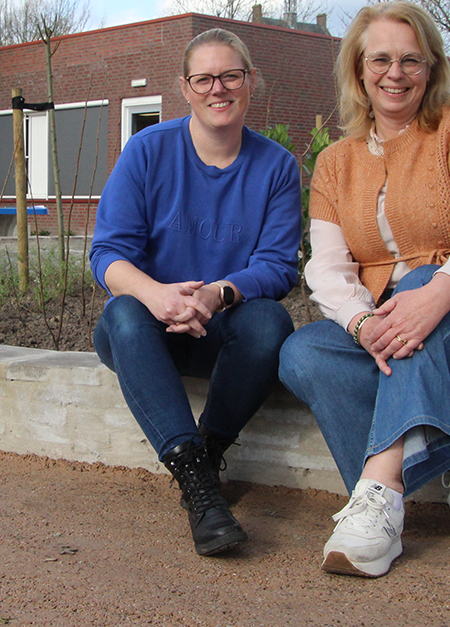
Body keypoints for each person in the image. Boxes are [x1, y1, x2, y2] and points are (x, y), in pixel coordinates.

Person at [278, 1, 450, 578]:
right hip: (404, 337)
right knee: (303, 353)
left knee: (427, 283)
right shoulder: (335, 163)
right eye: (379, 59)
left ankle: (378, 493)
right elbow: (328, 268)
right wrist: (362, 322)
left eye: (411, 60)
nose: (395, 73)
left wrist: (442, 290)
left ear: (432, 69)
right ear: (358, 71)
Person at [90, 28, 302, 557]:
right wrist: (159, 295)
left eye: (230, 75)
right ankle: (199, 486)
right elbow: (107, 254)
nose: (218, 89)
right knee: (121, 316)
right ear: (185, 88)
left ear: (249, 82)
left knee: (270, 324)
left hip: (222, 328)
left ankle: (207, 454)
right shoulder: (146, 151)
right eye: (204, 78)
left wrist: (216, 295)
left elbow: (278, 267)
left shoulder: (276, 166)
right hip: (148, 330)